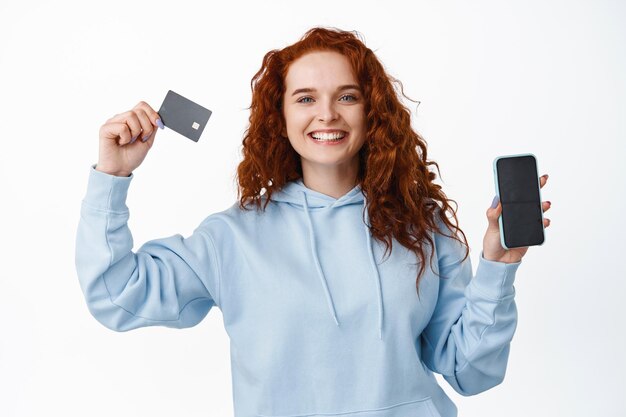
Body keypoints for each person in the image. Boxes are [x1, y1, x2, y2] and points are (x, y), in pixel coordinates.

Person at [75, 27, 551, 417]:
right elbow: (115, 295)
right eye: (304, 98)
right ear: (278, 116)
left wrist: (496, 267)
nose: (327, 114)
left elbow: (471, 372)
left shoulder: (422, 228)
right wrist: (113, 178)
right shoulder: (232, 238)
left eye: (347, 96)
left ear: (372, 112)